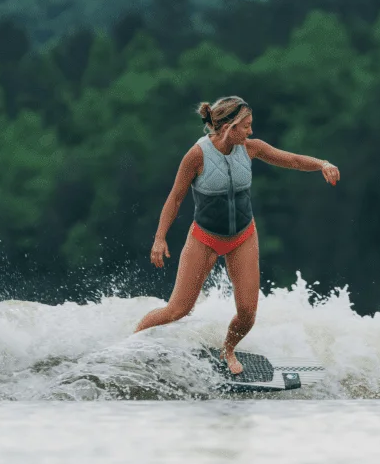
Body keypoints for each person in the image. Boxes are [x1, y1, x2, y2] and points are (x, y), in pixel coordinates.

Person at [134, 96, 340, 374]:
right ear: (228, 127)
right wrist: (160, 238)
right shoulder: (197, 155)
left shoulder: (251, 148)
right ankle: (131, 344)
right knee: (177, 310)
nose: (250, 131)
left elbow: (291, 159)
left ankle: (228, 350)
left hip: (243, 237)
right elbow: (175, 198)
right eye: (246, 126)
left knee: (247, 313)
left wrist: (322, 163)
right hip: (204, 238)